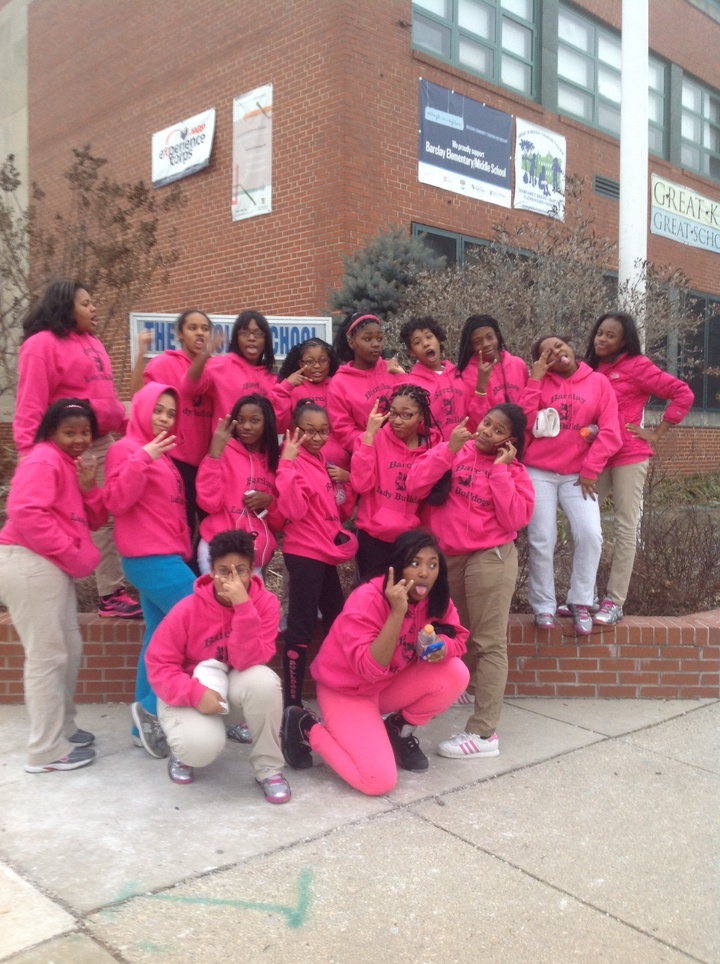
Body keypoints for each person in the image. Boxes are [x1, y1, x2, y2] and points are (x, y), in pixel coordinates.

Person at [281, 530, 469, 796]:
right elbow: (369, 669)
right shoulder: (367, 598)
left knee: (455, 673)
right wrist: (397, 613)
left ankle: (398, 730)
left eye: (432, 564)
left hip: (387, 684)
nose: (425, 573)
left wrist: (444, 647)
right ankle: (304, 725)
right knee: (377, 781)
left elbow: (458, 637)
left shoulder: (435, 598)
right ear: (398, 566)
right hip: (347, 691)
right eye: (415, 563)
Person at [407, 406, 534, 758]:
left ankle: (483, 735)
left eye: (498, 430)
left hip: (490, 556)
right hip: (447, 557)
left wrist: (500, 471)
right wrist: (447, 450)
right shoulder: (454, 450)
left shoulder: (515, 473)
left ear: (510, 441)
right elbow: (415, 484)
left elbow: (515, 519)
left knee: (489, 641)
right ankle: (467, 683)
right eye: (487, 423)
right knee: (452, 630)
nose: (487, 431)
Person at [15, 280, 140, 618]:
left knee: (110, 512)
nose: (94, 308)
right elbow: (30, 405)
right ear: (65, 308)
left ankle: (116, 587)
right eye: (86, 303)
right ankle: (108, 593)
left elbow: (105, 400)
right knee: (78, 518)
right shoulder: (41, 345)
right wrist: (31, 458)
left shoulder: (93, 342)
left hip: (102, 439)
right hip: (69, 445)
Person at [0, 399, 108, 772]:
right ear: (51, 432)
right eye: (70, 432)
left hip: (49, 565)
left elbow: (94, 519)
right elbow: (25, 511)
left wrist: (89, 486)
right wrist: (71, 552)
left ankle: (62, 726)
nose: (79, 439)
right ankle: (44, 750)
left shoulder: (69, 465)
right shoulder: (43, 459)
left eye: (85, 432)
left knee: (69, 649)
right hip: (29, 562)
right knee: (46, 657)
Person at [144, 530, 291, 802]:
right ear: (211, 571)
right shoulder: (188, 609)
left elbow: (249, 661)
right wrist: (195, 694)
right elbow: (159, 664)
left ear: (252, 571)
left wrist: (243, 609)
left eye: (241, 570)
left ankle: (268, 769)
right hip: (187, 693)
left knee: (264, 679)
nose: (232, 579)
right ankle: (183, 750)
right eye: (223, 570)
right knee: (200, 750)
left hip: (229, 689)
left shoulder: (266, 605)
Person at [584, 311, 694, 625]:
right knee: (583, 522)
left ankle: (614, 601)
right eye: (599, 333)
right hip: (597, 455)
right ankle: (584, 596)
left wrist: (657, 432)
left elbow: (682, 393)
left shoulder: (637, 366)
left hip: (629, 453)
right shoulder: (590, 369)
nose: (602, 339)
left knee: (623, 526)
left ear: (624, 340)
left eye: (610, 335)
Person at [103, 383, 195, 755]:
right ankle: (198, 710)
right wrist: (142, 457)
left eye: (171, 413)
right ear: (142, 408)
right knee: (204, 617)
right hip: (148, 558)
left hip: (167, 556)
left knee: (156, 640)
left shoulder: (166, 456)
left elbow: (168, 512)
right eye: (158, 409)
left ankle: (145, 721)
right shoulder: (125, 449)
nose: (165, 418)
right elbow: (115, 501)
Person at [521, 335, 621, 634]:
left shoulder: (598, 383)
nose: (555, 352)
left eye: (558, 345)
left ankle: (580, 599)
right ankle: (543, 605)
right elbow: (523, 423)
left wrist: (592, 469)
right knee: (542, 538)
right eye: (546, 352)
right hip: (538, 470)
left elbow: (611, 430)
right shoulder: (538, 382)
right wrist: (535, 381)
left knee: (590, 534)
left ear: (571, 347)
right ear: (541, 361)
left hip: (579, 474)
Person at [275, 401, 358, 721]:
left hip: (323, 553)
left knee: (338, 620)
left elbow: (334, 513)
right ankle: (292, 703)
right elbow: (294, 511)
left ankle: (337, 689)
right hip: (304, 554)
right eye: (309, 431)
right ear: (295, 431)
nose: (318, 437)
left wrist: (344, 481)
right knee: (300, 628)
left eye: (323, 431)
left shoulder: (319, 460)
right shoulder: (292, 461)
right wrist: (286, 465)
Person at [131, 310, 215, 546]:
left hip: (208, 464)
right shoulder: (164, 363)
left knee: (213, 527)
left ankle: (206, 578)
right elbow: (138, 396)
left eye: (205, 328)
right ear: (180, 334)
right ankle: (184, 579)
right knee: (183, 527)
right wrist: (141, 355)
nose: (199, 332)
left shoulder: (213, 367)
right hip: (176, 461)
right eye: (192, 327)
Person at [351, 384, 440, 581]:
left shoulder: (433, 447)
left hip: (410, 540)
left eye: (406, 415)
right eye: (393, 413)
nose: (397, 421)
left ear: (421, 417)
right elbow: (360, 485)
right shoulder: (373, 438)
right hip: (373, 536)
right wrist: (368, 437)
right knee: (370, 596)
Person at [195, 394, 284, 576]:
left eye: (255, 420)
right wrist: (214, 455)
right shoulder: (224, 452)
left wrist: (269, 502)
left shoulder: (274, 464)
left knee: (251, 605)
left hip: (254, 558)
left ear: (267, 423)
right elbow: (208, 503)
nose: (246, 426)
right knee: (221, 603)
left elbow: (278, 523)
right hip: (219, 551)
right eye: (241, 420)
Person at [325, 312, 405, 454]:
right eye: (367, 339)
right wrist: (376, 444)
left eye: (379, 339)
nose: (376, 344)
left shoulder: (392, 369)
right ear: (351, 342)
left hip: (403, 451)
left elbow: (414, 406)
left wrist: (404, 377)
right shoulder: (339, 383)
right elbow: (344, 431)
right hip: (368, 455)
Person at [185, 309, 278, 426]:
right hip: (226, 443)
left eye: (258, 333)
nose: (251, 338)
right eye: (245, 333)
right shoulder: (219, 365)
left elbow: (278, 423)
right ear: (236, 337)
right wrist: (206, 351)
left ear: (266, 340)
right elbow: (189, 386)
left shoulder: (272, 378)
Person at [271, 337, 348, 470]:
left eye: (322, 360)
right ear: (300, 364)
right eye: (310, 361)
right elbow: (278, 425)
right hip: (301, 466)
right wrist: (285, 387)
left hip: (338, 467)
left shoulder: (339, 384)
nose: (317, 366)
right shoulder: (292, 387)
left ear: (330, 361)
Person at [398, 316, 469, 440]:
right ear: (412, 352)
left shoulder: (458, 373)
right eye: (417, 342)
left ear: (438, 339)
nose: (426, 343)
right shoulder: (411, 384)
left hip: (467, 447)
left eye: (429, 337)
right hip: (436, 451)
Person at [456, 314, 528, 431]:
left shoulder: (518, 364)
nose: (486, 344)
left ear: (497, 336)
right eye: (477, 342)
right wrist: (481, 386)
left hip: (522, 437)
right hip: (492, 439)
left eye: (490, 337)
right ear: (471, 346)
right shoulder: (468, 375)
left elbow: (529, 402)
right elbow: (477, 420)